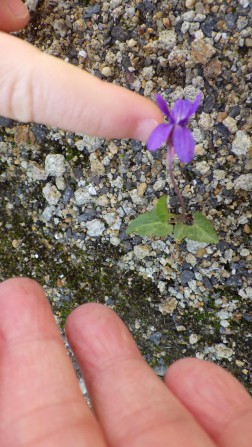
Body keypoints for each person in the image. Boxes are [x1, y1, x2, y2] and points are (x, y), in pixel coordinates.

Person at [0, 3, 251, 446]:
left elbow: (180, 136)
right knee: (168, 187)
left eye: (182, 117)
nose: (178, 120)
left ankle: (180, 219)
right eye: (176, 118)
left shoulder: (180, 133)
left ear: (185, 118)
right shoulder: (168, 132)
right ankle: (173, 219)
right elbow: (168, 132)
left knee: (177, 183)